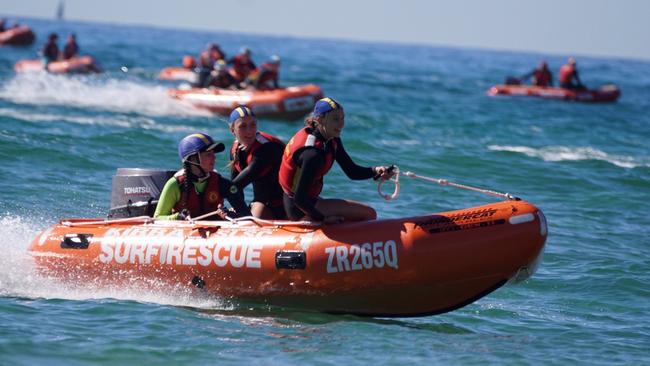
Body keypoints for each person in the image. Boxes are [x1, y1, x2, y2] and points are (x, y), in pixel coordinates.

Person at [279, 97, 395, 224]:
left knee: (356, 214)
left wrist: (376, 171)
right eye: (335, 119)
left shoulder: (330, 138)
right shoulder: (312, 154)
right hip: (299, 207)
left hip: (308, 201)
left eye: (342, 118)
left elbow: (352, 171)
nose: (341, 124)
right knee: (369, 214)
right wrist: (324, 219)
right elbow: (299, 199)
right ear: (319, 120)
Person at [154, 133, 251, 220]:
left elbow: (246, 215)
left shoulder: (221, 183)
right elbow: (158, 218)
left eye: (213, 153)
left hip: (214, 233)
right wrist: (177, 217)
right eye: (208, 154)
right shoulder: (175, 184)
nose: (214, 157)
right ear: (193, 159)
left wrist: (231, 215)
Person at [228, 106, 287, 219]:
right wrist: (238, 208)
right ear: (232, 130)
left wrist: (216, 193)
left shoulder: (267, 148)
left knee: (251, 220)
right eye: (243, 126)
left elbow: (236, 185)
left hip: (288, 204)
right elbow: (236, 189)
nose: (249, 131)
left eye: (253, 125)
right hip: (262, 203)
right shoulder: (235, 150)